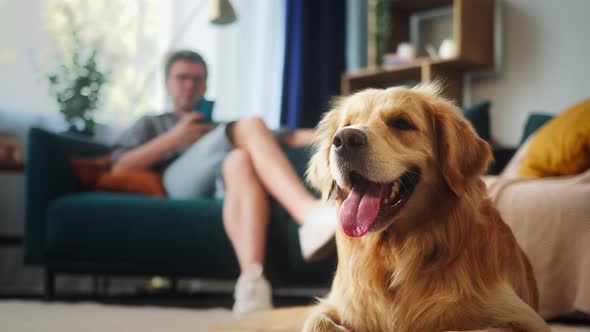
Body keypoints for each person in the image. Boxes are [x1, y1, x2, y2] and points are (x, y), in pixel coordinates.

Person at [110, 50, 336, 315]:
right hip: (176, 184)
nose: (190, 86)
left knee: (239, 158)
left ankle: (252, 283)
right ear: (167, 82)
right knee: (248, 124)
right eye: (182, 78)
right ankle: (308, 214)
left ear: (206, 85)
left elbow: (293, 136)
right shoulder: (153, 123)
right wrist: (175, 138)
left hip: (222, 186)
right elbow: (119, 166)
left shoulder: (218, 129)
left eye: (198, 79)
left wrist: (345, 129)